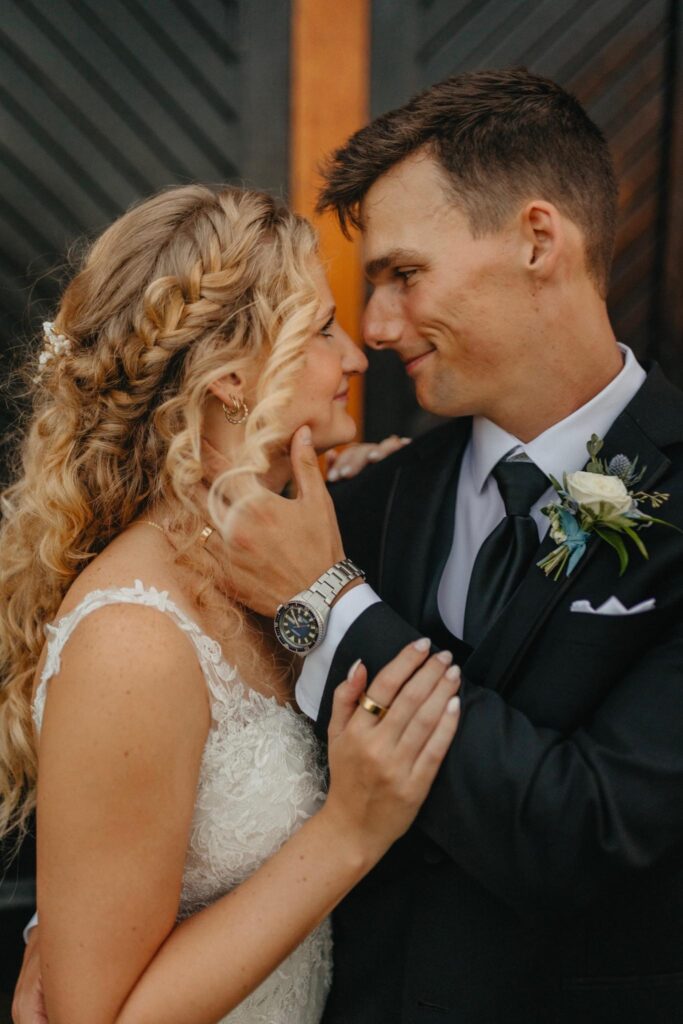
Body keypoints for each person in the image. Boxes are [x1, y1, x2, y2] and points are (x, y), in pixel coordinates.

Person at [177, 70, 683, 1023]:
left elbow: (589, 830)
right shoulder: (361, 502)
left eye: (403, 276)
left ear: (538, 240)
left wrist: (329, 604)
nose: (373, 329)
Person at [0, 184, 462, 1024]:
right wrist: (350, 829)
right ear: (230, 384)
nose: (356, 356)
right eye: (321, 329)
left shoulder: (266, 559)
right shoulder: (134, 639)